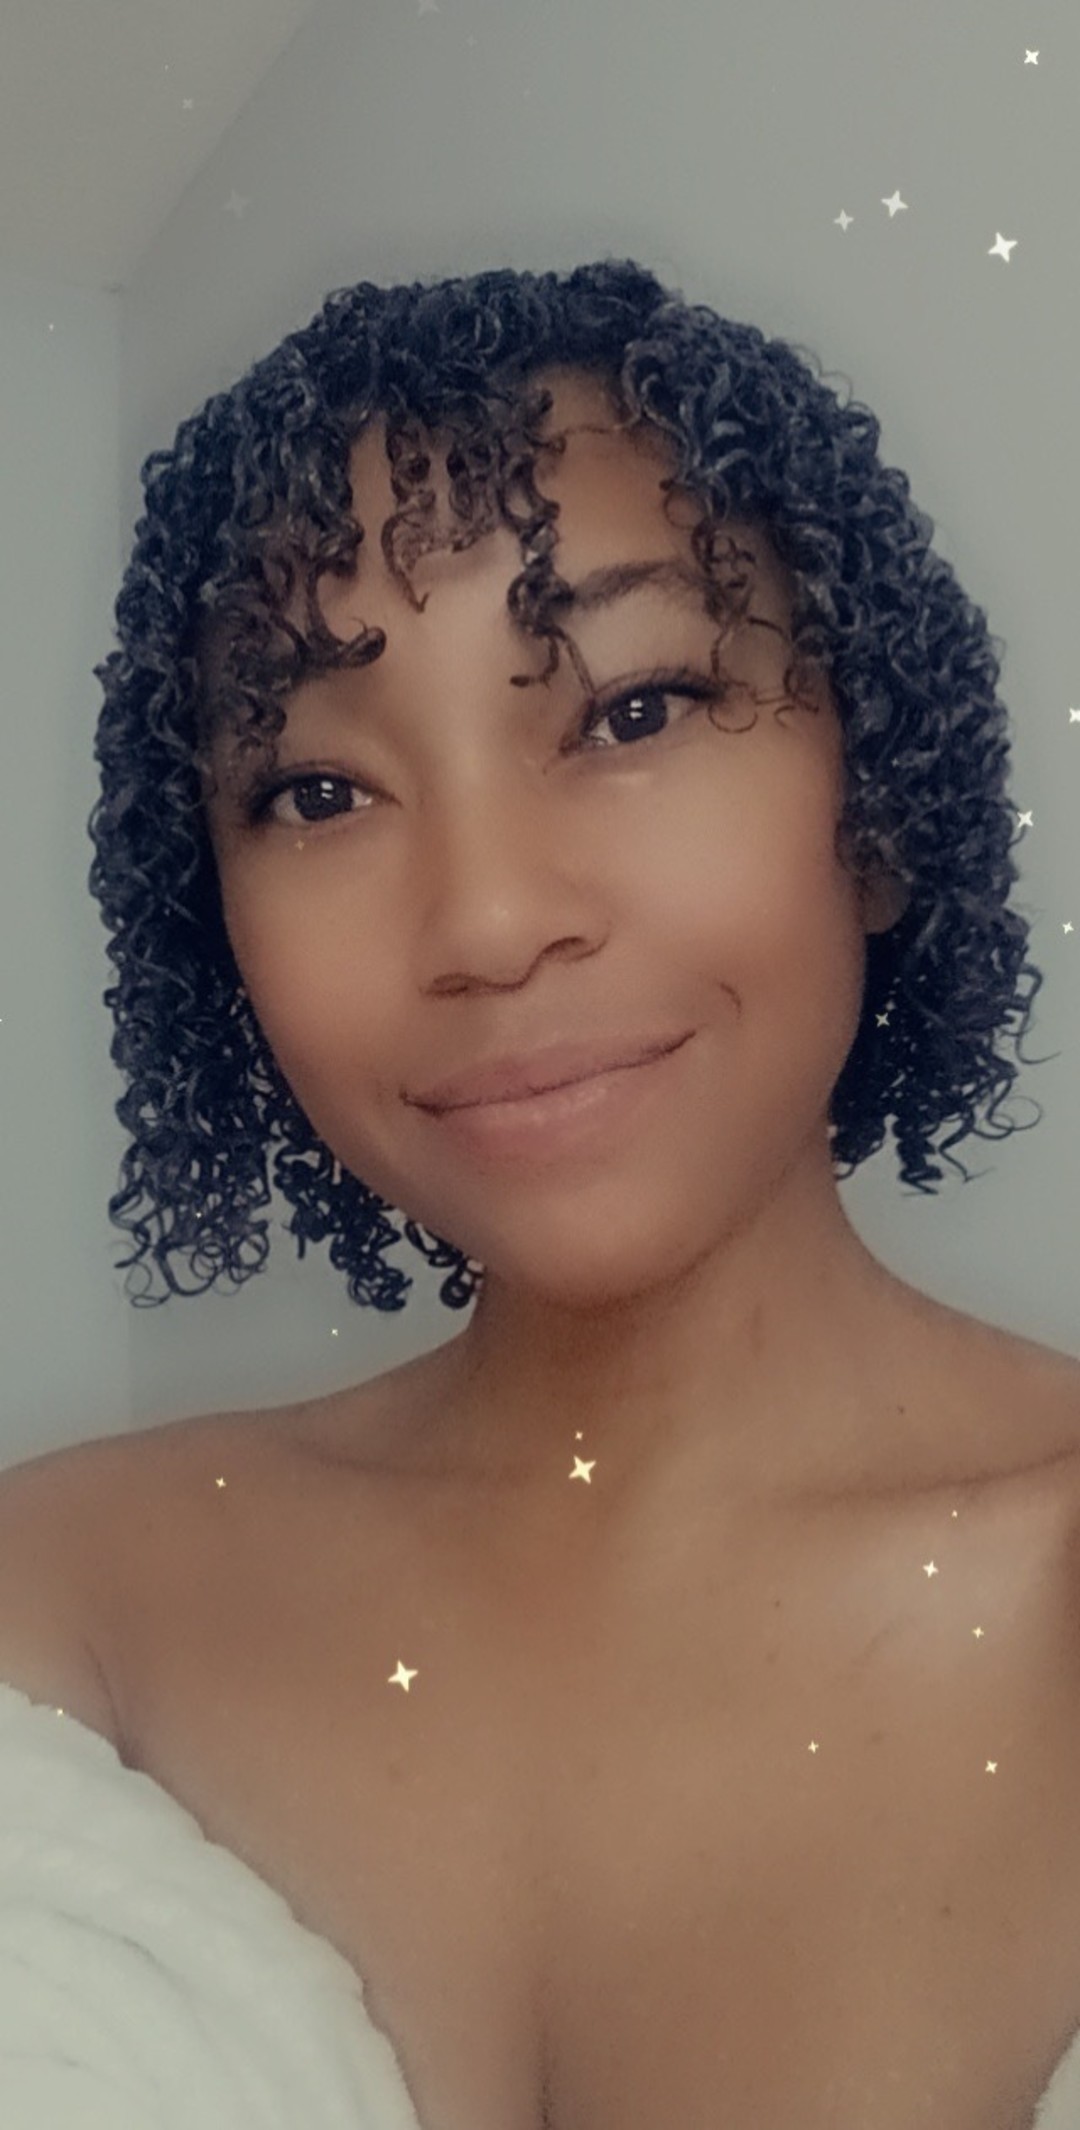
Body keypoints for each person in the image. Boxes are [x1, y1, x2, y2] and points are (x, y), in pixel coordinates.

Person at [3, 257, 1080, 2129]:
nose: (490, 920)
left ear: (878, 811)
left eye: (634, 708)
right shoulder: (50, 1605)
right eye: (317, 794)